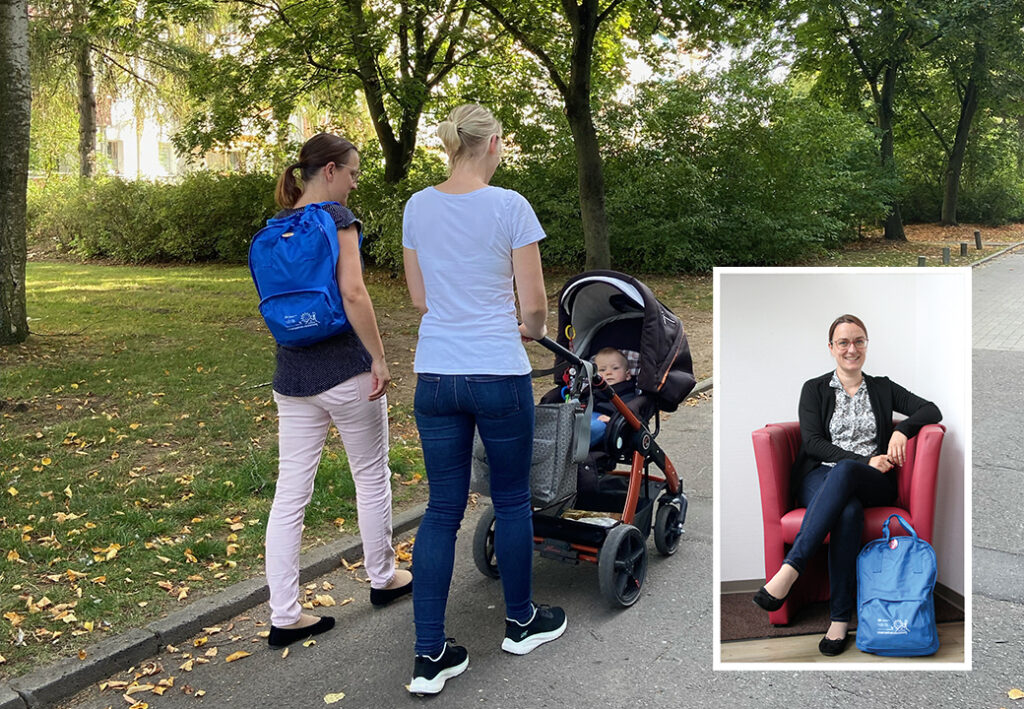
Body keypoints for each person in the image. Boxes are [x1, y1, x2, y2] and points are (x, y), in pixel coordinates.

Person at [402, 104, 566, 695]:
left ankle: (428, 656)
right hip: (497, 371)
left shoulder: (418, 206)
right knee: (513, 497)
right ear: (494, 142)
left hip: (436, 374)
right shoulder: (510, 207)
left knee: (442, 509)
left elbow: (420, 298)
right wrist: (528, 326)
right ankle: (521, 622)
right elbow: (537, 302)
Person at [263, 133, 411, 649]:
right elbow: (352, 292)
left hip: (293, 377)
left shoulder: (272, 228)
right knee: (370, 476)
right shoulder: (338, 220)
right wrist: (379, 357)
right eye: (351, 172)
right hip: (347, 372)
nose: (354, 181)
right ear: (329, 171)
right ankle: (383, 577)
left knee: (289, 495)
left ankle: (284, 613)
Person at [752, 314, 941, 656]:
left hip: (872, 480)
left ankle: (790, 569)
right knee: (848, 510)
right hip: (819, 477)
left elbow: (931, 410)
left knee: (846, 473)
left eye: (858, 341)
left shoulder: (882, 387)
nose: (851, 349)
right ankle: (840, 620)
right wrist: (861, 458)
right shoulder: (814, 389)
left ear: (866, 345)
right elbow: (811, 443)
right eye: (843, 342)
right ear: (831, 348)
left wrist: (902, 430)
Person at [589, 347, 638, 448]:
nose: (608, 373)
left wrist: (613, 420)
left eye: (615, 368)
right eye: (602, 370)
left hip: (608, 422)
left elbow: (632, 412)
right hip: (587, 416)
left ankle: (569, 449)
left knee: (594, 428)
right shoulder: (592, 389)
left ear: (628, 375)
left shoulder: (627, 391)